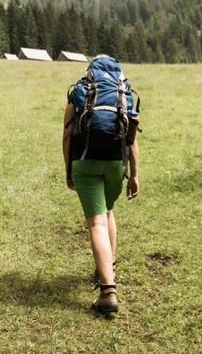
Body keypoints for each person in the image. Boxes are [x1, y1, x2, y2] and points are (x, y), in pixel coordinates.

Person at [62, 57, 140, 315]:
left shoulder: (79, 92)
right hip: (116, 164)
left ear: (91, 71)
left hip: (85, 163)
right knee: (107, 210)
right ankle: (109, 266)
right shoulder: (124, 93)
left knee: (96, 222)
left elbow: (67, 135)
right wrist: (134, 175)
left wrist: (69, 170)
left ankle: (108, 291)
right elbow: (131, 139)